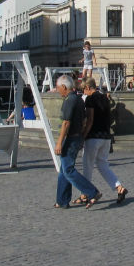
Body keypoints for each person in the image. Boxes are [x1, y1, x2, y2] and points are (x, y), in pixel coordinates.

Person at [52, 75, 100, 208]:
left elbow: (66, 122)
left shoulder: (69, 100)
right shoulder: (79, 99)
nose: (57, 90)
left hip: (71, 137)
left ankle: (92, 192)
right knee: (64, 169)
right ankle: (62, 200)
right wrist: (82, 136)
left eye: (58, 88)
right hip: (77, 135)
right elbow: (85, 120)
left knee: (67, 170)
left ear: (64, 87)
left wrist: (59, 142)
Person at [80, 77, 128, 205]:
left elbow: (89, 120)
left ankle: (86, 194)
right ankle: (119, 188)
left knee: (87, 165)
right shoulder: (105, 99)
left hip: (94, 136)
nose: (84, 93)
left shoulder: (90, 99)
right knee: (103, 165)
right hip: (106, 137)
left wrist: (83, 135)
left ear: (88, 88)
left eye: (84, 90)